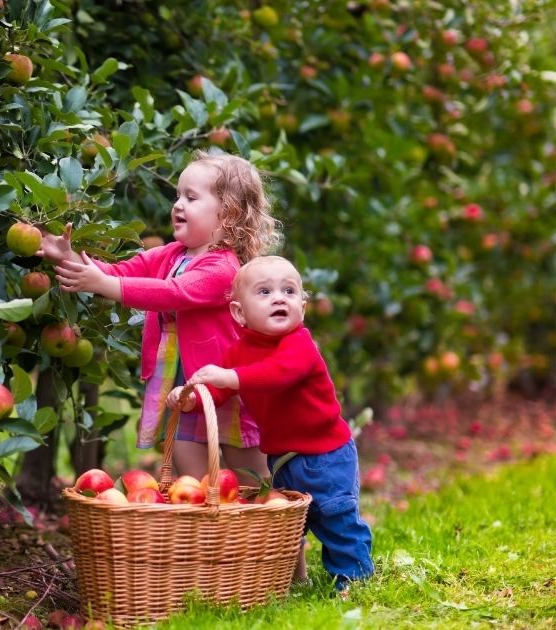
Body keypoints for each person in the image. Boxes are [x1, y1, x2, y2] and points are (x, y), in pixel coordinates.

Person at [39, 150, 281, 482]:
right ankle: (203, 529)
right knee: (192, 481)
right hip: (179, 386)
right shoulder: (169, 254)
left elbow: (175, 293)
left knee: (251, 478)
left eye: (191, 197)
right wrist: (70, 259)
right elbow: (117, 271)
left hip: (226, 389)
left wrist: (106, 283)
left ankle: (276, 529)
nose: (178, 204)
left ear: (228, 213)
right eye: (178, 195)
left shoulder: (224, 267)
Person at [167, 255, 374, 591]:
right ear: (239, 313)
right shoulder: (238, 352)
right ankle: (284, 580)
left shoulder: (299, 343)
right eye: (264, 292)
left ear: (302, 308)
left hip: (326, 455)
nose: (279, 298)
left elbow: (278, 374)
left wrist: (230, 376)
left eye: (289, 291)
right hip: (282, 459)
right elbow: (218, 391)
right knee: (290, 522)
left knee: (336, 516)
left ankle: (353, 578)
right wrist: (189, 398)